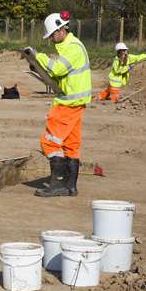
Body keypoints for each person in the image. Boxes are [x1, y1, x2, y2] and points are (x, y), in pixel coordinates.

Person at [25, 12, 92, 198]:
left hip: (68, 103)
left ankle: (56, 184)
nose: (52, 40)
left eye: (53, 36)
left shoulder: (72, 48)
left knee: (49, 141)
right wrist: (39, 68)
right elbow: (58, 75)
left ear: (61, 30)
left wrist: (39, 57)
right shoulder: (71, 46)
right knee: (71, 145)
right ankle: (70, 186)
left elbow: (57, 68)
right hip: (75, 103)